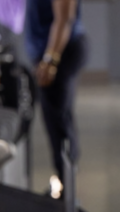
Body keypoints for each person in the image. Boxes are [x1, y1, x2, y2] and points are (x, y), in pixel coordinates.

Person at [26, 0, 86, 198]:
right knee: (56, 120)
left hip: (59, 54)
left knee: (59, 123)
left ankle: (67, 188)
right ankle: (65, 182)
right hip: (48, 53)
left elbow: (64, 19)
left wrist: (50, 60)